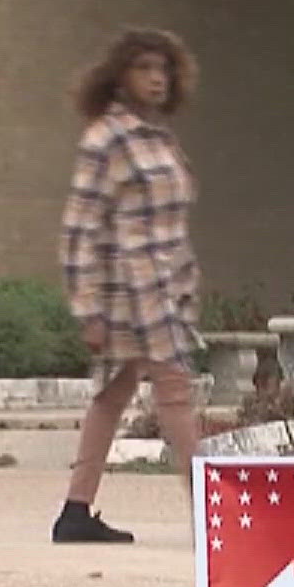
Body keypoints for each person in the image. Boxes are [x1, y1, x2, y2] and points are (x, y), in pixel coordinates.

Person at [52, 29, 204, 544]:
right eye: (143, 68)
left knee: (112, 395)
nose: (156, 79)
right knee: (175, 394)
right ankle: (211, 513)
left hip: (165, 288)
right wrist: (87, 308)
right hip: (130, 292)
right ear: (120, 75)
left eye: (163, 68)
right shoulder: (106, 139)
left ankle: (75, 509)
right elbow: (80, 226)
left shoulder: (157, 139)